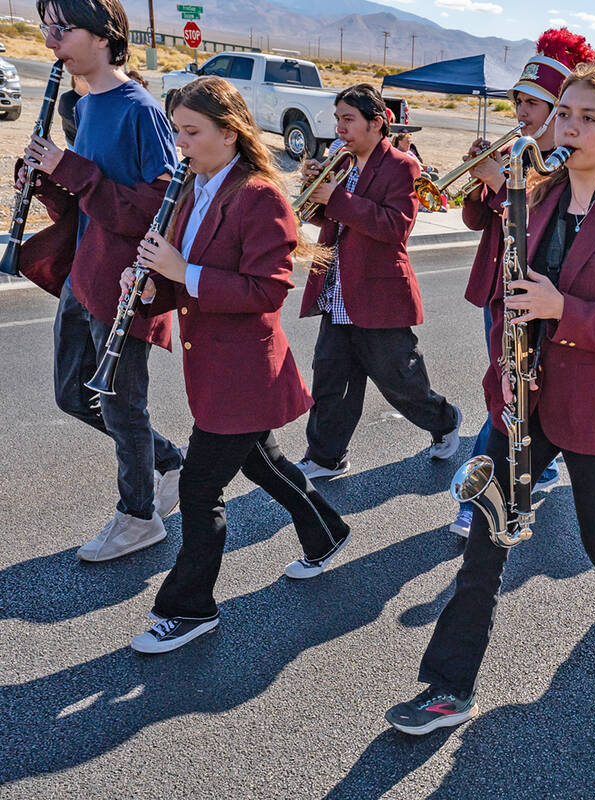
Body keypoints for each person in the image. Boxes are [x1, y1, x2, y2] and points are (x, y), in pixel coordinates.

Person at [386, 60, 595, 735]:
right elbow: (501, 294)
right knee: (487, 540)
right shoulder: (535, 194)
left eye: (587, 118)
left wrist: (561, 307)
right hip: (524, 399)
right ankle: (447, 689)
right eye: (564, 113)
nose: (568, 127)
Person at [126, 77, 350, 654]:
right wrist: (151, 286)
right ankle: (327, 533)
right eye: (177, 130)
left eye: (192, 131)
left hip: (246, 370)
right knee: (264, 464)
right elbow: (183, 275)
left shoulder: (259, 196)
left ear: (229, 132)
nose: (181, 144)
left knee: (200, 489)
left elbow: (268, 289)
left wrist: (182, 273)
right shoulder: (193, 189)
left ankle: (188, 608)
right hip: (216, 367)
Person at [20, 0, 183, 562]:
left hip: (122, 287)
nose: (50, 38)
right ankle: (166, 459)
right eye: (48, 26)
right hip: (81, 274)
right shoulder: (87, 108)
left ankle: (139, 517)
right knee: (73, 395)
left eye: (62, 27)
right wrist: (45, 181)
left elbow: (159, 210)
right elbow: (85, 205)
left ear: (103, 36)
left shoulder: (139, 109)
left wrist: (71, 168)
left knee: (120, 405)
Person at [450, 27, 595, 536]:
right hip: (497, 290)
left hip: (532, 293)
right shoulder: (518, 149)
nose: (522, 112)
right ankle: (540, 463)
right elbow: (478, 222)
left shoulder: (561, 168)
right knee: (508, 388)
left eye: (534, 103)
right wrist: (480, 183)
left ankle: (481, 501)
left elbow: (533, 221)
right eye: (518, 100)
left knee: (510, 393)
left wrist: (499, 183)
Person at [292, 84, 461, 480]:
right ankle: (326, 456)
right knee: (330, 378)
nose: (340, 128)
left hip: (379, 291)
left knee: (400, 380)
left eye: (348, 119)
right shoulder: (341, 160)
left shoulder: (403, 166)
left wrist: (335, 197)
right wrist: (314, 192)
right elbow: (327, 220)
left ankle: (444, 419)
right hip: (337, 292)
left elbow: (394, 227)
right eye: (338, 119)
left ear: (377, 122)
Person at [57, 73, 87, 147]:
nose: (92, 81)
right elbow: (78, 125)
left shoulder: (94, 97)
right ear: (76, 78)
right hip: (76, 145)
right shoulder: (66, 99)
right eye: (86, 78)